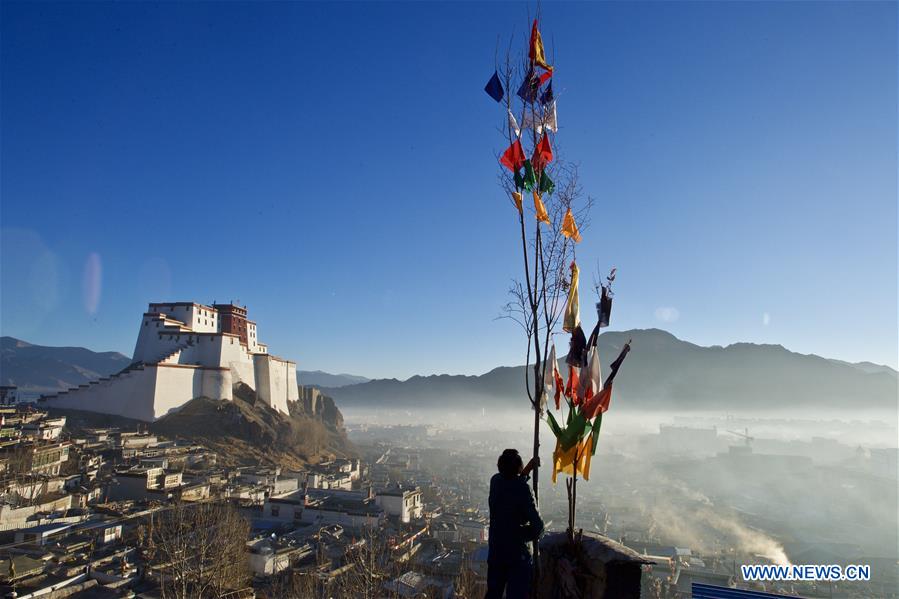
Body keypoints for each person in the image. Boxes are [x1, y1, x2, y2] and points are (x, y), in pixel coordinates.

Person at [486, 448, 544, 599]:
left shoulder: (496, 482)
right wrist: (519, 535)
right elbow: (538, 528)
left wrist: (526, 471)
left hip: (496, 551)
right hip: (517, 556)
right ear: (518, 468)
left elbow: (510, 486)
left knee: (493, 593)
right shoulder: (523, 489)